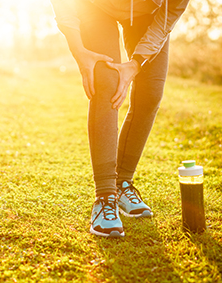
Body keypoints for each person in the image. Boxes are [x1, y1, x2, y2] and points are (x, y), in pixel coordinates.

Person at [50, 0, 189, 237]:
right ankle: (105, 196)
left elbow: (169, 14)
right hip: (94, 7)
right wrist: (77, 48)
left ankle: (122, 183)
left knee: (150, 94)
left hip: (149, 13)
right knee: (106, 84)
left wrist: (136, 63)